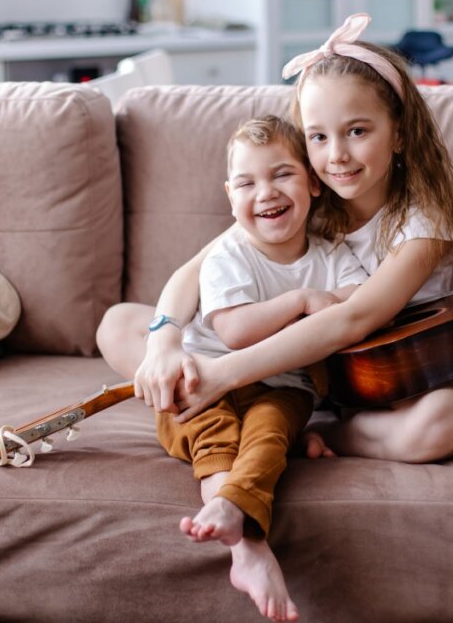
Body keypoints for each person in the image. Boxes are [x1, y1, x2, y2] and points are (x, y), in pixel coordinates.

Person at [98, 12, 453, 464]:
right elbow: (195, 270)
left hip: (372, 377)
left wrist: (223, 374)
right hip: (278, 365)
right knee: (118, 323)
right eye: (318, 136)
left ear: (399, 132)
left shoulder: (422, 226)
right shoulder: (305, 196)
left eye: (357, 131)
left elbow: (352, 319)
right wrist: (164, 343)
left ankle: (323, 432)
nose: (336, 155)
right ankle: (230, 400)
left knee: (446, 417)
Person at [150, 115, 367, 622]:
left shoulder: (333, 253)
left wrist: (330, 298)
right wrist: (303, 300)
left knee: (268, 435)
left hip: (284, 386)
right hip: (205, 379)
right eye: (247, 183)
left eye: (282, 175)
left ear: (313, 183)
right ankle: (246, 544)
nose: (265, 192)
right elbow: (234, 333)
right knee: (215, 436)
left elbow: (359, 303)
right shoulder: (228, 254)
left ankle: (232, 510)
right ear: (230, 197)